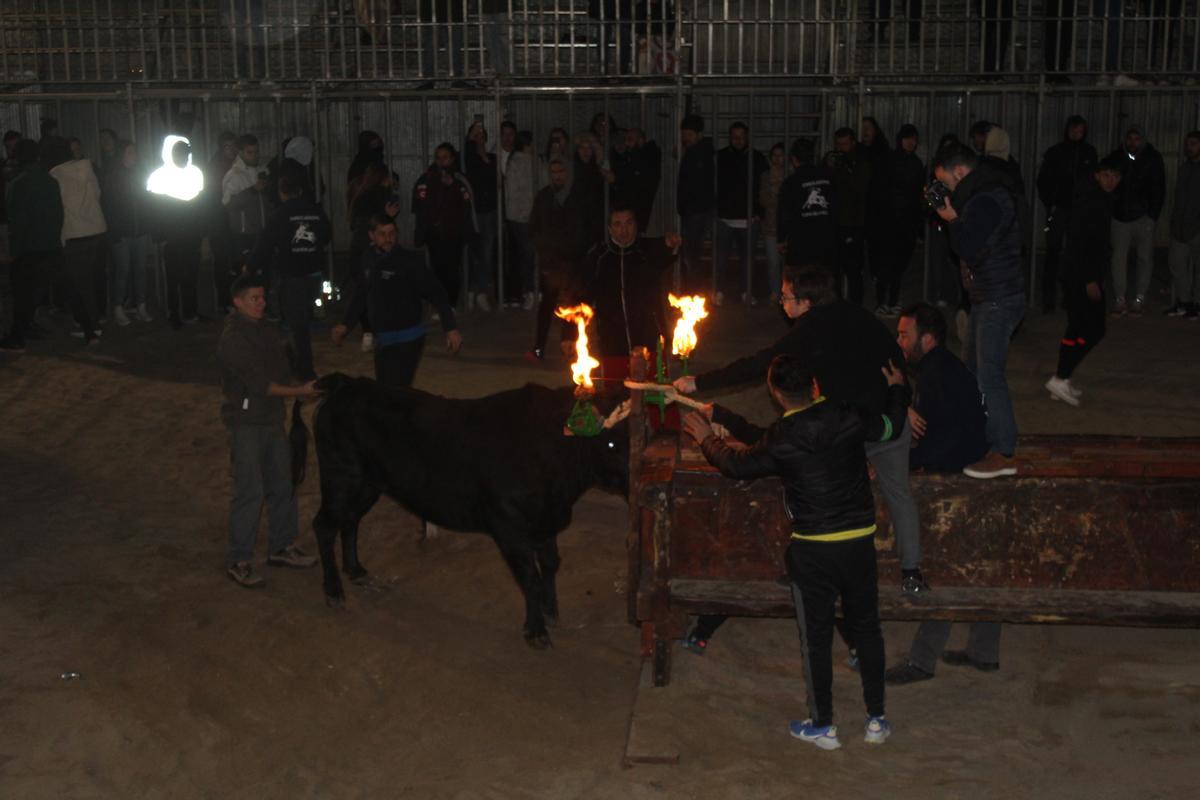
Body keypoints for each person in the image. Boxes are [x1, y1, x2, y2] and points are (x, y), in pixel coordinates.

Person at [682, 353, 910, 750]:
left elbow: (736, 464)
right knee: (867, 628)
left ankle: (823, 725)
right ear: (815, 385)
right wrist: (897, 390)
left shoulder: (782, 437)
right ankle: (876, 719)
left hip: (812, 551)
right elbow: (890, 426)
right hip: (858, 542)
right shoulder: (847, 415)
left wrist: (706, 436)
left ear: (775, 394)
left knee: (816, 638)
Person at [674, 265, 929, 594]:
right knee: (898, 495)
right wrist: (900, 399)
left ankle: (806, 568)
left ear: (807, 302)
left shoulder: (809, 331)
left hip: (845, 429)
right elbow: (894, 363)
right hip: (881, 419)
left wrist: (700, 382)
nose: (781, 303)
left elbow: (759, 364)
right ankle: (911, 572)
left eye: (786, 297)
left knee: (810, 490)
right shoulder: (857, 314)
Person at [218, 273, 321, 589]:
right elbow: (261, 385)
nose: (262, 303)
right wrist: (300, 391)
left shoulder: (267, 329)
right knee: (250, 491)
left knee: (282, 484)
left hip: (271, 419)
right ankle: (239, 559)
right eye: (255, 298)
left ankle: (282, 546)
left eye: (263, 297)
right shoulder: (233, 339)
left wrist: (298, 385)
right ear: (237, 302)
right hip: (246, 423)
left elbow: (281, 371)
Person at [932, 143, 1026, 479]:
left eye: (946, 182)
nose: (946, 190)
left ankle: (1003, 451)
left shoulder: (986, 199)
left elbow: (969, 247)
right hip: (987, 296)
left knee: (989, 376)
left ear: (960, 172)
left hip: (998, 298)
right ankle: (980, 438)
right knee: (972, 371)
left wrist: (951, 219)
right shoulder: (981, 193)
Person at [333, 214, 462, 387]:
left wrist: (450, 328)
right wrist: (345, 324)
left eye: (392, 233)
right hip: (383, 339)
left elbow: (436, 293)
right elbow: (361, 294)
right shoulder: (368, 258)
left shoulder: (409, 261)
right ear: (371, 236)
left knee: (398, 391)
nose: (388, 238)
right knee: (385, 390)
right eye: (382, 234)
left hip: (408, 339)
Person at [1045, 158, 1123, 406]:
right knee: (1093, 329)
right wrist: (1090, 279)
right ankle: (1060, 377)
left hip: (1080, 274)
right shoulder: (1091, 201)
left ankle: (1062, 378)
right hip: (1080, 276)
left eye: (1115, 176)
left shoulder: (1102, 199)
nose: (1111, 180)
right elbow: (1080, 242)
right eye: (1107, 175)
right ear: (1097, 175)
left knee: (1077, 328)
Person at [574, 205, 679, 372]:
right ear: (610, 229)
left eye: (629, 223)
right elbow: (580, 295)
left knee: (653, 383)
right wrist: (569, 334)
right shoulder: (598, 256)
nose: (624, 230)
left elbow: (667, 250)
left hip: (649, 336)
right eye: (618, 224)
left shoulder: (647, 252)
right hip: (612, 340)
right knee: (615, 385)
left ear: (636, 225)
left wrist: (672, 244)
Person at [250, 174, 333, 382]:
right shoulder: (316, 211)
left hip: (292, 276)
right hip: (315, 273)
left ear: (282, 192)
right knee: (308, 314)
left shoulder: (280, 214)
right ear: (300, 191)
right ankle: (317, 317)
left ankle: (305, 371)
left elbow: (265, 243)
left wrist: (250, 267)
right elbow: (327, 235)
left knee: (297, 326)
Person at [895, 303, 988, 473]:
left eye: (904, 336)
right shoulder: (940, 362)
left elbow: (937, 439)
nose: (898, 342)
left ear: (927, 339)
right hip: (969, 447)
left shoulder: (934, 375)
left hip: (960, 457)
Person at [0, 139, 69, 352]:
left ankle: (17, 337)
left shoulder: (19, 184)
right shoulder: (50, 181)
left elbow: (17, 222)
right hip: (49, 245)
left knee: (21, 294)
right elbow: (59, 214)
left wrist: (14, 251)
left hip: (28, 248)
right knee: (35, 292)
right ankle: (28, 327)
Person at [526, 156, 587, 361]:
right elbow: (534, 227)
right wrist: (544, 250)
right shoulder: (544, 197)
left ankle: (568, 347)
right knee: (547, 306)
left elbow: (584, 227)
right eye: (554, 172)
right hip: (551, 262)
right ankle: (539, 348)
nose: (557, 176)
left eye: (560, 171)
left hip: (572, 260)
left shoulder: (577, 197)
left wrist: (576, 251)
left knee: (572, 305)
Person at [1036, 116, 1098, 313]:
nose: (1076, 134)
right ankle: (1049, 299)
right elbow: (1043, 181)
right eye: (1073, 130)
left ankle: (1071, 296)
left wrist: (1087, 204)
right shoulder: (1055, 152)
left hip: (1079, 211)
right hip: (1059, 209)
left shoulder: (1089, 153)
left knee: (1076, 254)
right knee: (1052, 253)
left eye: (1080, 131)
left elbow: (1093, 182)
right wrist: (1051, 202)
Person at [49, 137, 108, 337]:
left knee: (79, 283)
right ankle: (93, 320)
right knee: (90, 279)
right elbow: (97, 194)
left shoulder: (55, 175)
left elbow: (57, 208)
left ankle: (91, 326)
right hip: (95, 229)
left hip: (74, 233)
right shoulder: (86, 167)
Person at [1106, 127, 1166, 317]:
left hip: (1143, 217)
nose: (1132, 142)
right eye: (1130, 138)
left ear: (1142, 140)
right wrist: (1113, 206)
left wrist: (1152, 216)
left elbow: (1159, 188)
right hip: (1120, 216)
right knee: (1118, 258)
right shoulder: (1116, 157)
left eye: (1136, 139)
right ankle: (1120, 298)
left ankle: (1139, 298)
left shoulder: (1152, 158)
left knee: (1144, 258)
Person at [412, 143, 476, 306]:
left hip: (454, 233)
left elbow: (467, 207)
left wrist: (452, 186)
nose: (441, 161)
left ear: (452, 159)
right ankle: (441, 304)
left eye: (445, 157)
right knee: (438, 269)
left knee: (452, 269)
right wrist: (421, 231)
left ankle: (451, 303)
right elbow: (419, 207)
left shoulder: (459, 179)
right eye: (438, 157)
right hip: (434, 233)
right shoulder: (426, 178)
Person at [101, 140, 154, 326]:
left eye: (135, 152)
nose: (134, 155)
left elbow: (148, 201)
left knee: (140, 269)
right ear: (122, 154)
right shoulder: (113, 176)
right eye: (131, 152)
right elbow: (108, 206)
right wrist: (114, 231)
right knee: (122, 270)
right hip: (122, 232)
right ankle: (118, 306)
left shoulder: (142, 172)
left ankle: (140, 305)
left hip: (139, 230)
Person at [715, 122, 768, 305]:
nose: (738, 140)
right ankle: (719, 291)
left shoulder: (757, 158)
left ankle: (746, 292)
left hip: (749, 218)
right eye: (735, 136)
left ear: (747, 137)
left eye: (741, 136)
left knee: (748, 260)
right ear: (730, 137)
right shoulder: (720, 157)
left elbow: (765, 186)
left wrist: (759, 211)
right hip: (725, 217)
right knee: (721, 259)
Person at [876, 124, 924, 316]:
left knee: (900, 263)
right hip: (889, 221)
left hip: (907, 222)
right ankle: (882, 300)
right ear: (900, 140)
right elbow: (880, 191)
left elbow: (918, 194)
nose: (911, 142)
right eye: (907, 138)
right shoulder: (889, 160)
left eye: (914, 139)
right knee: (886, 262)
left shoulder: (916, 163)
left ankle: (893, 299)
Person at [777, 138, 836, 271]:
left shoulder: (791, 182)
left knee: (800, 276)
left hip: (801, 241)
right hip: (826, 239)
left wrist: (781, 238)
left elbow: (784, 213)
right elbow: (836, 206)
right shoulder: (828, 177)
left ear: (794, 159)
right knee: (824, 276)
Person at [827, 127, 871, 305]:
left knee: (852, 269)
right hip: (836, 221)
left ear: (853, 143)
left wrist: (842, 169)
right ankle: (837, 304)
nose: (841, 148)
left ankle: (855, 306)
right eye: (838, 144)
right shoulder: (833, 160)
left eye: (844, 144)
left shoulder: (861, 161)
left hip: (853, 223)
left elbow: (859, 188)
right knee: (834, 268)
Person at [221, 134, 272, 274]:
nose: (254, 156)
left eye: (256, 151)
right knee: (246, 277)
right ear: (241, 152)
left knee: (264, 276)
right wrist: (252, 191)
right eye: (250, 152)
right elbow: (228, 204)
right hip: (244, 236)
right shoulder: (233, 176)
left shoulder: (263, 171)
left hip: (263, 233)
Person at [676, 114, 715, 292]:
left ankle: (693, 290)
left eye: (689, 134)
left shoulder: (699, 154)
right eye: (684, 134)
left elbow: (695, 184)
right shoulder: (699, 151)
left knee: (691, 253)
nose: (686, 138)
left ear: (699, 134)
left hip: (695, 211)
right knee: (692, 253)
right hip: (694, 210)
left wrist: (688, 207)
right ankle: (694, 289)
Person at [463, 121, 499, 311]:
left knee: (487, 252)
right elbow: (469, 152)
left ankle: (482, 292)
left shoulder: (493, 158)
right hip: (474, 212)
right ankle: (471, 291)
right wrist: (473, 133)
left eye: (482, 135)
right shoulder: (468, 158)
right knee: (474, 253)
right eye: (476, 136)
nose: (479, 139)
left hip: (490, 211)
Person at [1164, 131, 1200, 319]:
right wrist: (1174, 221)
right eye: (1188, 144)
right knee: (1176, 264)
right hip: (1180, 226)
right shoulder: (1185, 168)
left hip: (1197, 227)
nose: (1189, 147)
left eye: (1193, 144)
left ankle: (1198, 304)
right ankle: (1185, 302)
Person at [503, 130, 538, 309]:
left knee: (525, 255)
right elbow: (523, 192)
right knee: (528, 255)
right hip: (525, 215)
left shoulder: (514, 161)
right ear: (528, 144)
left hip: (517, 215)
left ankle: (529, 291)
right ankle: (530, 291)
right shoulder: (525, 162)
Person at [860, 117, 892, 306]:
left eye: (868, 128)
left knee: (879, 247)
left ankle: (880, 283)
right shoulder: (859, 151)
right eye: (862, 128)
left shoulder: (882, 152)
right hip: (862, 208)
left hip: (879, 208)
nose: (865, 131)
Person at [205, 132, 239, 312]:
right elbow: (212, 198)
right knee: (222, 262)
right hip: (219, 222)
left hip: (235, 221)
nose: (231, 150)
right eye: (227, 146)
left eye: (233, 146)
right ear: (220, 148)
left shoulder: (237, 164)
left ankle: (234, 299)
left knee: (235, 261)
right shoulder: (214, 167)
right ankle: (224, 301)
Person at [611, 127, 662, 233]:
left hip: (638, 205)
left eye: (630, 139)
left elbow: (634, 177)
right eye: (626, 140)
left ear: (640, 140)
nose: (626, 143)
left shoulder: (648, 156)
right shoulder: (635, 155)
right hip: (632, 205)